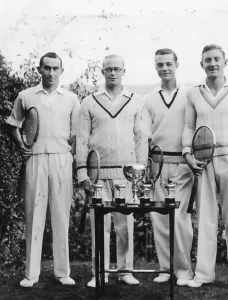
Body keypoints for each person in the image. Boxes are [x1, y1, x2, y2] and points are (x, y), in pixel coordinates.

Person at [182, 44, 228, 289]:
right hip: (204, 162)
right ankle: (203, 275)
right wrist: (187, 154)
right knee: (206, 219)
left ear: (225, 62)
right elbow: (189, 128)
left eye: (216, 59)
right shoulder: (193, 93)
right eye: (207, 60)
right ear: (201, 64)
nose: (212, 64)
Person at [6, 52, 80, 287]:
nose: (50, 73)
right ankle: (31, 274)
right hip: (35, 159)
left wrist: (73, 160)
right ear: (39, 70)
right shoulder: (26, 96)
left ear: (61, 71)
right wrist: (21, 146)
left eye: (55, 68)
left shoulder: (71, 98)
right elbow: (12, 124)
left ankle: (62, 272)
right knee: (34, 217)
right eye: (46, 68)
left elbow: (77, 134)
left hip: (61, 160)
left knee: (61, 216)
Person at [76, 54, 147, 287]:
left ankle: (126, 271)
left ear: (124, 71)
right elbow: (82, 141)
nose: (113, 73)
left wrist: (141, 170)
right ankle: (100, 273)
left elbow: (141, 139)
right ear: (102, 72)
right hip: (98, 176)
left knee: (124, 226)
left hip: (127, 176)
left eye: (117, 68)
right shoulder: (89, 102)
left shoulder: (136, 101)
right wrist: (82, 174)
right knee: (100, 226)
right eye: (109, 69)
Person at [142, 48, 194, 286]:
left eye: (168, 64)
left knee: (180, 219)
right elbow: (144, 135)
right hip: (158, 165)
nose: (164, 68)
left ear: (176, 64)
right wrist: (146, 167)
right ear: (156, 68)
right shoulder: (149, 99)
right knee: (159, 218)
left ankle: (184, 270)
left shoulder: (190, 95)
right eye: (160, 65)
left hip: (183, 165)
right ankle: (165, 267)